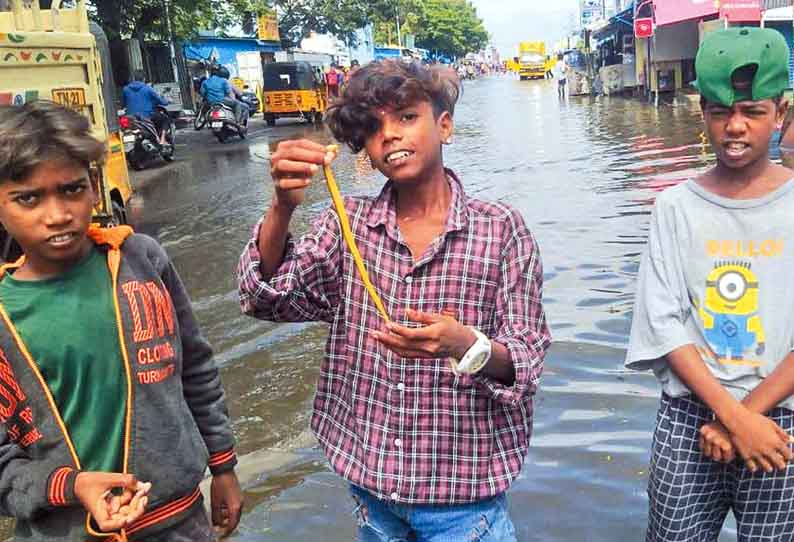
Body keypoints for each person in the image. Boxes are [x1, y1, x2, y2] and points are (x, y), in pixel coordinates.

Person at [237, 59, 550, 541]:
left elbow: (526, 358)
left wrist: (467, 344)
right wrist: (282, 206)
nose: (390, 135)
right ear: (363, 147)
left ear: (444, 126)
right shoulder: (347, 223)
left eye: (406, 117)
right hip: (372, 490)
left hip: (464, 499)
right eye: (374, 126)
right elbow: (266, 298)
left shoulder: (500, 229)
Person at [0, 100, 243, 541]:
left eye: (71, 190)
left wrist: (223, 464)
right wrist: (73, 486)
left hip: (180, 522)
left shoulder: (142, 260)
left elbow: (196, 367)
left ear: (95, 186)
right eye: (28, 198)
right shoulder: (4, 313)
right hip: (66, 531)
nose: (56, 214)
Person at [626, 27, 794, 541]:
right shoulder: (676, 207)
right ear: (702, 113)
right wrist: (729, 416)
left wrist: (743, 420)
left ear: (781, 113)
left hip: (780, 421)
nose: (735, 128)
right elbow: (664, 323)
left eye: (754, 112)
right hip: (689, 419)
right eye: (720, 113)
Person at [121, 70, 171, 145]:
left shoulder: (125, 89)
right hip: (147, 117)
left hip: (131, 118)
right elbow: (162, 102)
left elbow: (124, 104)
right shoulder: (148, 89)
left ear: (134, 78)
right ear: (144, 79)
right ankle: (162, 140)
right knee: (165, 119)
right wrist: (168, 101)